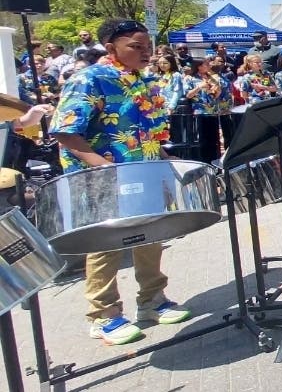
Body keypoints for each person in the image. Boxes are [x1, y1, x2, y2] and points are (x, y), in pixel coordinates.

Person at [49, 18, 190, 346]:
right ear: (111, 48)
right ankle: (104, 315)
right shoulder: (90, 79)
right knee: (107, 243)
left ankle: (152, 301)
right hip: (103, 175)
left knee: (152, 232)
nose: (146, 53)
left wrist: (168, 163)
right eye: (136, 47)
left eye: (148, 47)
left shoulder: (143, 79)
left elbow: (149, 129)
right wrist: (100, 166)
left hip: (143, 170)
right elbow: (64, 130)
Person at [184, 58, 224, 164]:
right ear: (199, 66)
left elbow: (215, 96)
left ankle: (215, 162)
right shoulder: (190, 78)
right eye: (206, 64)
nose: (209, 66)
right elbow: (188, 95)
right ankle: (204, 162)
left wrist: (218, 91)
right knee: (202, 140)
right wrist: (199, 87)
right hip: (199, 113)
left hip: (212, 111)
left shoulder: (211, 77)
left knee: (215, 140)